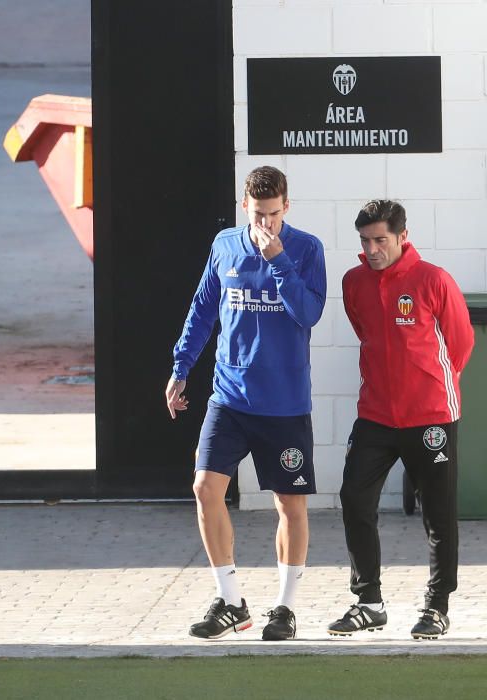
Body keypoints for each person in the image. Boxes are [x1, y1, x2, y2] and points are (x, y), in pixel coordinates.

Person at [166, 166, 326, 641]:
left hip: (284, 403)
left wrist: (278, 260)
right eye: (259, 215)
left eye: (274, 214)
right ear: (244, 208)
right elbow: (202, 308)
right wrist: (180, 368)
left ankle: (285, 608)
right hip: (230, 397)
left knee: (290, 505)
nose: (266, 224)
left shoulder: (306, 248)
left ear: (287, 208)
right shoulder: (225, 246)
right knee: (204, 489)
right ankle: (231, 601)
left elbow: (309, 313)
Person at [327, 199, 474, 640]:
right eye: (365, 241)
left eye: (380, 240)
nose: (372, 250)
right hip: (374, 415)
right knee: (354, 498)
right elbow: (366, 332)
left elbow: (461, 342)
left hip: (429, 417)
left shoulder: (433, 280)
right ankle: (368, 601)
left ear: (402, 236)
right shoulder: (353, 282)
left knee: (438, 514)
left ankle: (437, 606)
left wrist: (429, 383)